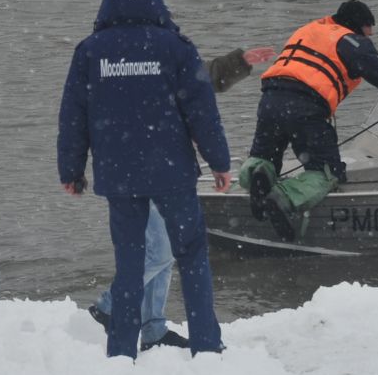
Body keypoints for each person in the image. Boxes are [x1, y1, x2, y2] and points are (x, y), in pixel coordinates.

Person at [57, 0, 232, 359]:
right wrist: (219, 162)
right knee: (192, 257)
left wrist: (71, 170)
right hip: (172, 172)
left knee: (130, 263)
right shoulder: (175, 48)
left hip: (118, 175)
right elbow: (202, 110)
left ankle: (121, 351)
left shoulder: (90, 52)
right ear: (156, 3)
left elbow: (73, 115)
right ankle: (206, 344)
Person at [89, 43, 273, 350]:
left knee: (162, 249)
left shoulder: (159, 57)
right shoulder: (117, 59)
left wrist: (237, 62)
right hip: (137, 173)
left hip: (163, 169)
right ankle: (109, 307)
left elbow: (200, 80)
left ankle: (153, 329)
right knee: (160, 251)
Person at [243, 0, 378, 237]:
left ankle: (257, 173)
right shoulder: (350, 41)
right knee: (325, 172)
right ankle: (282, 199)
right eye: (367, 32)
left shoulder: (310, 29)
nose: (369, 38)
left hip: (270, 100)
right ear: (357, 26)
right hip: (305, 108)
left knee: (264, 155)